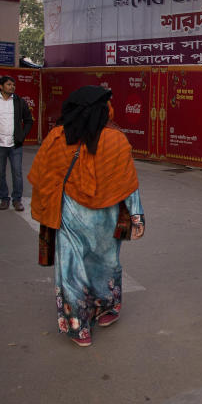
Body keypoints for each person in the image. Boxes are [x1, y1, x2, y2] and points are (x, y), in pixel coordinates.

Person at [28, 86, 145, 347]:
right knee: (105, 264)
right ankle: (106, 309)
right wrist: (137, 216)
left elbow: (43, 178)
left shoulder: (57, 137)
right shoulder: (115, 139)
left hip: (69, 217)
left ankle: (79, 327)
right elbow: (129, 183)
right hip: (105, 219)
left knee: (71, 269)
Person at [0, 75, 34, 211]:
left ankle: (17, 200)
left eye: (13, 85)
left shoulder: (19, 102)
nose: (12, 87)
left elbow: (28, 120)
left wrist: (22, 135)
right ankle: (4, 198)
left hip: (15, 144)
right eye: (9, 84)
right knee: (0, 173)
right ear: (1, 86)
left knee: (17, 173)